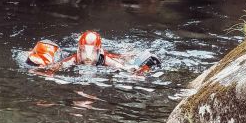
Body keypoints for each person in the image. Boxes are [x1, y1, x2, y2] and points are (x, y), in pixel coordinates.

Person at [31, 31, 161, 74]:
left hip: (115, 57)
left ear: (99, 52)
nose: (88, 57)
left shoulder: (104, 59)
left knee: (126, 58)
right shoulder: (74, 59)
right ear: (78, 51)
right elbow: (54, 67)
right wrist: (43, 70)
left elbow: (125, 69)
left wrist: (142, 69)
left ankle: (129, 50)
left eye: (92, 52)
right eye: (83, 52)